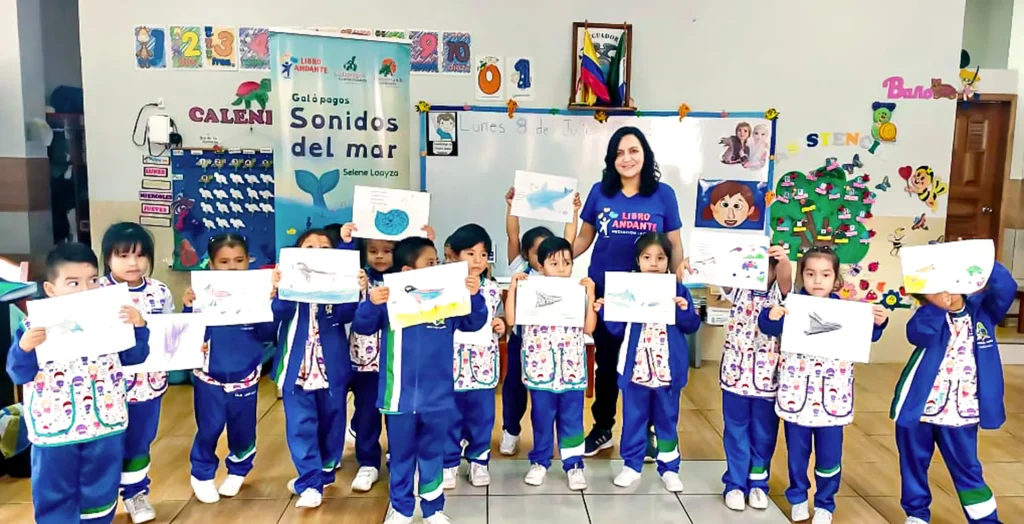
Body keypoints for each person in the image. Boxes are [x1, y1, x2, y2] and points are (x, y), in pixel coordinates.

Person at [7, 242, 150, 523]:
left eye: (93, 280)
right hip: (54, 430)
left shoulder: (114, 315)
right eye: (73, 283)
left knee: (100, 491)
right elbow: (17, 373)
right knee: (54, 493)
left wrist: (139, 327)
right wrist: (23, 349)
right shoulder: (32, 326)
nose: (85, 290)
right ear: (51, 289)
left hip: (105, 424)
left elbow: (135, 357)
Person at [351, 236, 487, 524]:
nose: (437, 267)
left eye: (437, 262)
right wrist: (370, 304)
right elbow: (363, 327)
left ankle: (432, 509)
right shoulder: (388, 301)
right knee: (400, 456)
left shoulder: (448, 298)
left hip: (438, 397)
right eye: (430, 263)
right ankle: (400, 509)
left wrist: (474, 296)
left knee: (432, 455)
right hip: (397, 396)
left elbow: (474, 322)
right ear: (406, 272)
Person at [572, 126, 684, 457]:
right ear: (611, 159)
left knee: (646, 365)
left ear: (645, 155)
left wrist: (678, 286)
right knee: (606, 365)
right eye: (620, 153)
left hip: (652, 296)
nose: (627, 158)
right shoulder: (599, 192)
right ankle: (603, 428)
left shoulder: (663, 194)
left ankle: (646, 433)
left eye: (633, 151)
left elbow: (674, 244)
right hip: (608, 292)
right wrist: (552, 258)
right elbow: (583, 239)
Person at [758, 245, 889, 524]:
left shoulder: (848, 311)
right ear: (802, 276)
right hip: (796, 397)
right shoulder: (791, 305)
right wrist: (771, 316)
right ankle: (797, 497)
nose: (817, 281)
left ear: (836, 279)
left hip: (833, 399)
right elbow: (768, 327)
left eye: (825, 274)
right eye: (811, 274)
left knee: (830, 456)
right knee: (797, 454)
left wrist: (879, 322)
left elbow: (870, 336)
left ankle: (825, 503)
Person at [892, 261, 1015, 523]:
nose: (944, 290)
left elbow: (1005, 287)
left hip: (962, 411)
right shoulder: (926, 315)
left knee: (968, 467)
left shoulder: (983, 311)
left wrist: (981, 259)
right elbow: (919, 335)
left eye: (948, 282)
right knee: (913, 463)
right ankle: (916, 514)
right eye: (934, 288)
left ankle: (985, 519)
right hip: (920, 410)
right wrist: (938, 308)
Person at [594, 232, 700, 493]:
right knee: (633, 419)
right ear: (638, 260)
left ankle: (670, 468)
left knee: (667, 421)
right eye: (647, 257)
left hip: (667, 371)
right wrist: (605, 309)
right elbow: (616, 329)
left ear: (668, 260)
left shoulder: (677, 288)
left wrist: (684, 309)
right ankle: (631, 465)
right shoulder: (627, 286)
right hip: (636, 370)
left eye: (661, 257)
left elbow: (691, 325)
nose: (654, 263)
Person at [183, 234, 276, 504]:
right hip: (209, 376)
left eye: (239, 260)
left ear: (249, 261)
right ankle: (201, 474)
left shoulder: (257, 292)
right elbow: (188, 332)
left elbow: (268, 333)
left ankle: (239, 469)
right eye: (224, 261)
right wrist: (189, 306)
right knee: (209, 427)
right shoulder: (202, 293)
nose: (232, 267)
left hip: (245, 375)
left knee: (243, 428)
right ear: (211, 265)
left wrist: (267, 304)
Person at [272, 228, 359, 509]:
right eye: (310, 248)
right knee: (300, 425)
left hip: (331, 368)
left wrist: (355, 286)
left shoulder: (334, 288)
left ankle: (323, 470)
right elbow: (278, 314)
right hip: (296, 369)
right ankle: (309, 480)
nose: (317, 253)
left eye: (325, 248)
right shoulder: (289, 286)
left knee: (333, 422)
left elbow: (348, 313)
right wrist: (278, 289)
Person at [505, 237, 597, 490]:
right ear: (541, 264)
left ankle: (574, 464)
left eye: (567, 262)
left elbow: (589, 328)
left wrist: (591, 295)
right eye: (554, 262)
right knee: (542, 417)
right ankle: (540, 462)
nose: (561, 268)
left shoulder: (577, 290)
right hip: (540, 368)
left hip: (571, 369)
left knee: (572, 418)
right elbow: (511, 320)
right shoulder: (529, 288)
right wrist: (513, 287)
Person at [348, 224, 434, 492]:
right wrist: (347, 243)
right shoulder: (359, 277)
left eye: (387, 250)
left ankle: (400, 459)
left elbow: (433, 275)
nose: (380, 256)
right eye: (372, 251)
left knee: (401, 416)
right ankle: (368, 462)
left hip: (400, 364)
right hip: (366, 364)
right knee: (366, 415)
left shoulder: (408, 280)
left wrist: (426, 239)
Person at [99, 222, 174, 524]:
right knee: (106, 443)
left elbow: (171, 332)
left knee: (140, 441)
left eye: (141, 255)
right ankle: (100, 498)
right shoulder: (97, 292)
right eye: (123, 256)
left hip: (148, 385)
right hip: (103, 388)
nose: (133, 263)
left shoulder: (160, 291)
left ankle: (135, 494)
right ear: (107, 259)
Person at [501, 188, 581, 455]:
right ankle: (511, 430)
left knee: (544, 395)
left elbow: (569, 237)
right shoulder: (521, 271)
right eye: (537, 251)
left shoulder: (560, 274)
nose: (547, 255)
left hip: (554, 344)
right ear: (526, 254)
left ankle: (554, 443)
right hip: (522, 339)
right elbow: (512, 235)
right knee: (514, 388)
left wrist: (574, 211)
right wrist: (512, 206)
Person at [719, 245, 792, 511]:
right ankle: (735, 484)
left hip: (768, 378)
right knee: (735, 430)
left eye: (768, 265)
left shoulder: (782, 295)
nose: (761, 271)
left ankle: (758, 482)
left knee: (764, 433)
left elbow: (786, 277)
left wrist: (782, 261)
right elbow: (718, 274)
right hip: (734, 375)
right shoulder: (738, 287)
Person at [443, 224, 506, 489]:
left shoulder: (492, 288)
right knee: (449, 416)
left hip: (482, 364)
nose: (477, 260)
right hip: (450, 365)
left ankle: (479, 461)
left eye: (483, 254)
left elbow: (500, 315)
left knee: (481, 416)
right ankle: (448, 463)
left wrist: (501, 324)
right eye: (470, 254)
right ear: (454, 255)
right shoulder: (444, 286)